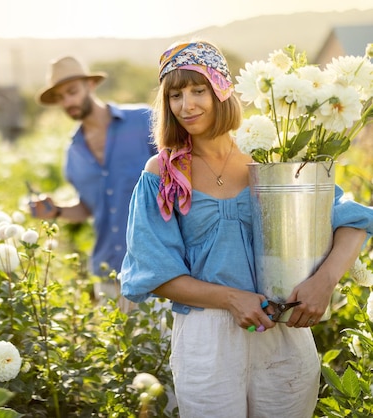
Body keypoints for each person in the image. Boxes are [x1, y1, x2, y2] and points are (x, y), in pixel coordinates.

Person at [119, 40, 373, 417]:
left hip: (283, 331)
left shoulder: (270, 158)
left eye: (197, 90)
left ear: (221, 89)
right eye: (175, 95)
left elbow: (353, 221)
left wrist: (325, 282)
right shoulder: (164, 173)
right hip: (208, 336)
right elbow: (155, 272)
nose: (186, 105)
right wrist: (232, 299)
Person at [30, 55, 157, 302]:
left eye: (72, 91)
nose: (68, 101)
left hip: (155, 270)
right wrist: (55, 210)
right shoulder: (74, 152)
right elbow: (89, 207)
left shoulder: (143, 121)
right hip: (107, 273)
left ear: (90, 85)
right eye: (60, 97)